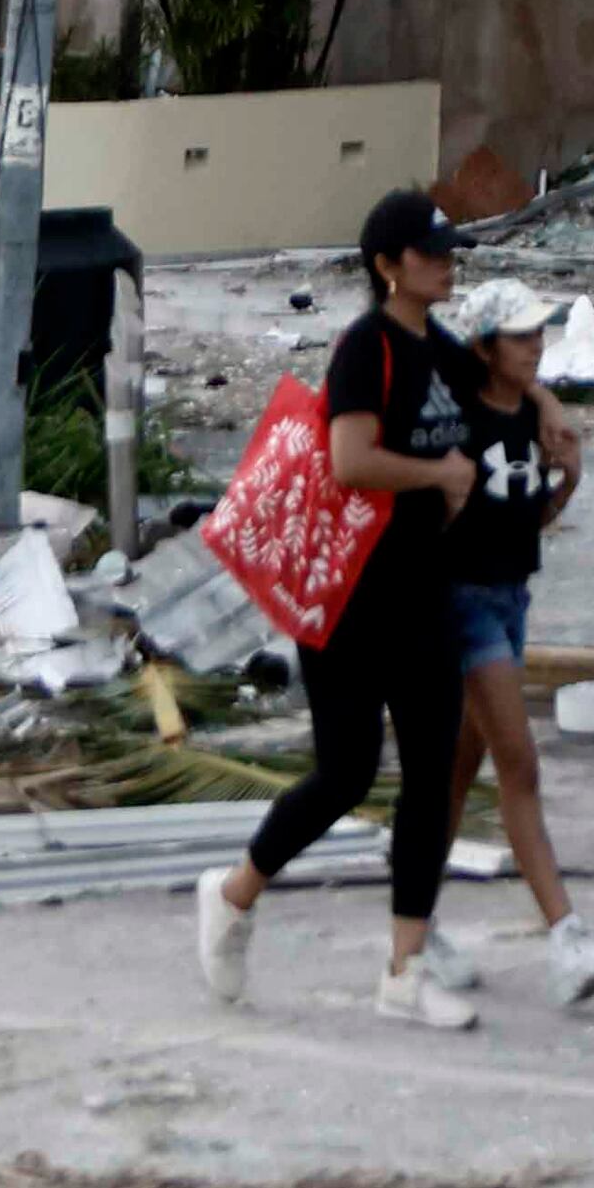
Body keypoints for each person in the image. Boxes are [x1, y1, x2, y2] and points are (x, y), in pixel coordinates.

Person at [202, 186, 490, 1032]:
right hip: (351, 595)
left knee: (431, 779)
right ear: (386, 266)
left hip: (428, 592)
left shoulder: (442, 349)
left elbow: (495, 394)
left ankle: (403, 971)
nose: (445, 261)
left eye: (447, 248)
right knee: (347, 773)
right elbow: (352, 458)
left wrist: (546, 414)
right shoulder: (367, 348)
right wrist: (438, 477)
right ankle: (233, 895)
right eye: (429, 250)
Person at [436, 276, 594, 1006]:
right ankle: (566, 934)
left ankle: (414, 924)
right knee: (519, 765)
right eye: (520, 335)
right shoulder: (456, 417)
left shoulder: (529, 419)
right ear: (486, 349)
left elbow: (520, 523)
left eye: (539, 332)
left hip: (511, 600)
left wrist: (566, 486)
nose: (536, 344)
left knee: (458, 774)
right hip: (466, 611)